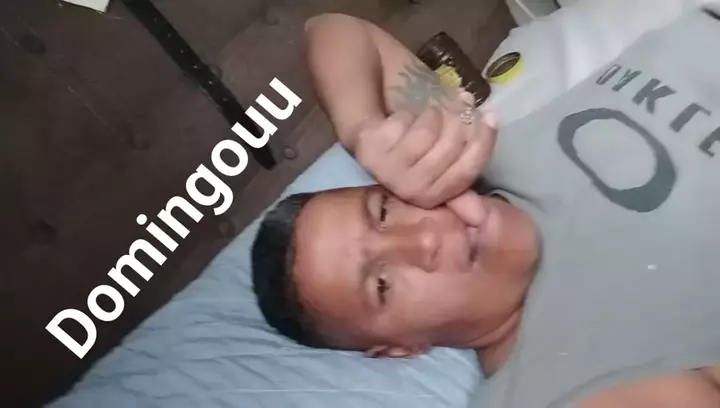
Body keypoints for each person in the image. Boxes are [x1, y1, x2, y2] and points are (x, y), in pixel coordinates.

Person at [251, 11, 720, 408]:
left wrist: (363, 131)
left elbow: (334, 28)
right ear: (397, 349)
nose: (423, 240)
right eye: (382, 284)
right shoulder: (552, 385)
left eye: (385, 212)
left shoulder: (475, 156)